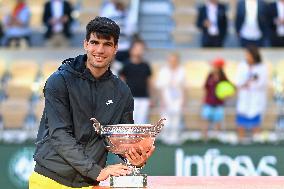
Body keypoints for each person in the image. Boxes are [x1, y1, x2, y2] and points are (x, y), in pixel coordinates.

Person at [29, 17, 154, 189]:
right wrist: (97, 171)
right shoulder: (59, 81)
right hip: (49, 180)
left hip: (89, 183)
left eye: (107, 44)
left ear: (116, 48)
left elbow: (123, 140)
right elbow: (59, 134)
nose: (100, 50)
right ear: (85, 44)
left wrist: (135, 157)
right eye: (95, 42)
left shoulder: (121, 91)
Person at [235, 45, 268, 142]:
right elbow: (238, 81)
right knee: (241, 123)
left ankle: (257, 142)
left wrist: (252, 84)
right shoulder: (242, 66)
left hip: (256, 99)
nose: (247, 57)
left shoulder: (262, 67)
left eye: (249, 55)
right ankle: (240, 142)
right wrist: (245, 83)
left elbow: (262, 83)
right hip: (244, 99)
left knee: (255, 123)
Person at [155, 52, 187, 145]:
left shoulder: (182, 71)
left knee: (177, 119)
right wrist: (161, 100)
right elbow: (160, 87)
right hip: (166, 99)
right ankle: (166, 140)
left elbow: (184, 87)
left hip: (178, 99)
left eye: (174, 60)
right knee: (166, 120)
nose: (173, 62)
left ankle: (175, 139)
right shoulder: (163, 71)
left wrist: (184, 100)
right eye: (171, 60)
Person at [120, 39, 152, 124]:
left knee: (142, 123)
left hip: (144, 98)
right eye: (137, 48)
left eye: (141, 49)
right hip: (131, 99)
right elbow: (122, 82)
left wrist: (151, 97)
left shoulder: (146, 65)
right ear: (132, 50)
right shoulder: (126, 65)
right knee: (130, 123)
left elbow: (149, 82)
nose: (139, 50)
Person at [201, 58, 231, 140]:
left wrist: (226, 95)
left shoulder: (223, 77)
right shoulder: (210, 75)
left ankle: (216, 138)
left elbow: (230, 88)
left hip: (219, 104)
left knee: (217, 121)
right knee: (205, 120)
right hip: (209, 102)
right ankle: (204, 138)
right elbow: (205, 87)